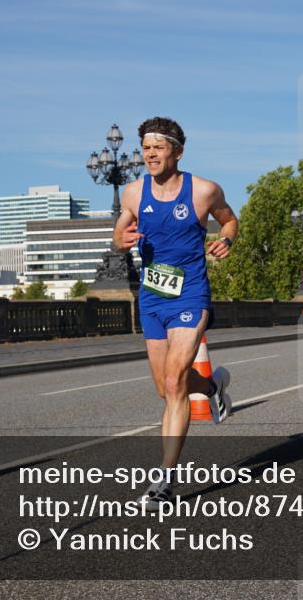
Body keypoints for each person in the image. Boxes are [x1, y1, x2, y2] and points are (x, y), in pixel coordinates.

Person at [113, 116, 238, 509]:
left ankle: (164, 482)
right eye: (146, 148)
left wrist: (226, 239)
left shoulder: (203, 190)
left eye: (158, 147)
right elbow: (119, 234)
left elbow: (230, 219)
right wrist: (123, 239)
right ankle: (213, 386)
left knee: (173, 384)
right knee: (167, 387)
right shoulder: (133, 193)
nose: (150, 154)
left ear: (178, 152)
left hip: (190, 295)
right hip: (151, 298)